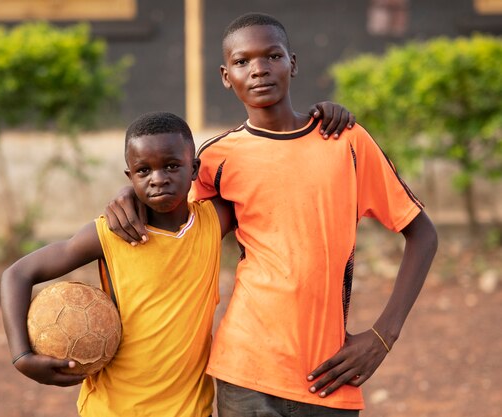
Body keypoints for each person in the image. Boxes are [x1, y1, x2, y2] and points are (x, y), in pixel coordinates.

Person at [104, 12, 438, 416]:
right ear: (226, 76)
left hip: (329, 370)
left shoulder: (346, 141)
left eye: (272, 56)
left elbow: (422, 234)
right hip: (244, 368)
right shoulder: (215, 159)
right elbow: (168, 213)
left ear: (292, 64)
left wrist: (384, 334)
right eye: (243, 62)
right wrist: (129, 196)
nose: (259, 69)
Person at [1, 111, 235, 417]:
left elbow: (264, 174)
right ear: (130, 177)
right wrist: (21, 355)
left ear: (193, 169)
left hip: (189, 410)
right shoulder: (111, 234)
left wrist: (315, 121)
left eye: (171, 166)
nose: (158, 178)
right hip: (112, 409)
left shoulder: (213, 220)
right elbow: (17, 273)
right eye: (143, 171)